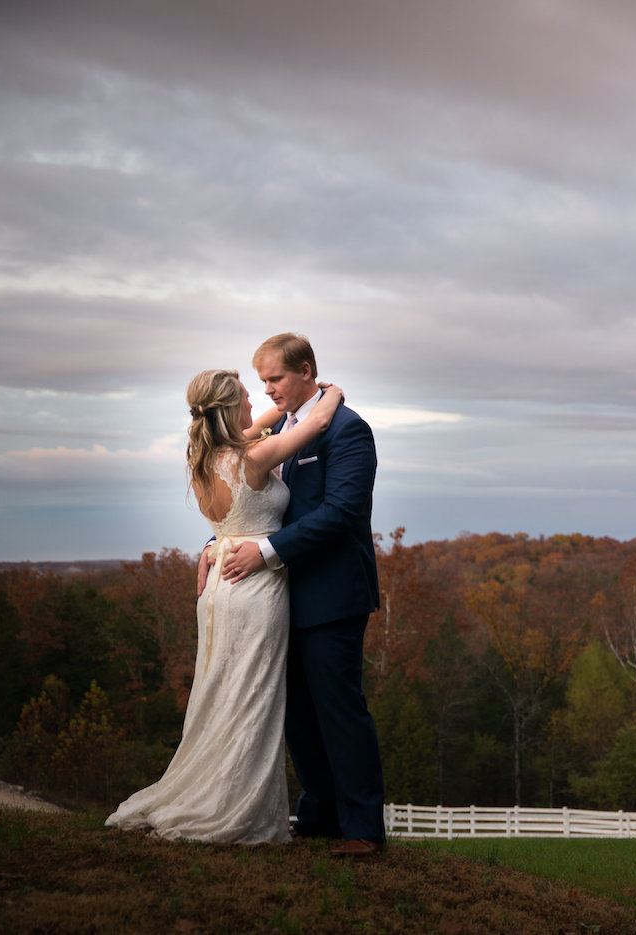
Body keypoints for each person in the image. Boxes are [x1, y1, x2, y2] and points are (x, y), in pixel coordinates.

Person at [106, 369, 342, 844]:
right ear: (230, 409)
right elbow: (313, 427)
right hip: (255, 586)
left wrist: (294, 396)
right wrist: (330, 392)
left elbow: (273, 419)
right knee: (251, 694)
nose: (256, 400)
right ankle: (234, 809)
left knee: (221, 690)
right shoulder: (253, 457)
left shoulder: (205, 456)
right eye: (245, 396)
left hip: (219, 583)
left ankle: (215, 791)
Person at [215, 333, 386, 857]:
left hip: (333, 593)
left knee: (339, 710)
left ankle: (362, 831)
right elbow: (253, 507)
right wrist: (216, 545)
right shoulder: (282, 431)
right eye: (262, 381)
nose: (267, 390)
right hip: (280, 597)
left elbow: (340, 516)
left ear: (307, 370)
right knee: (298, 714)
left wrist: (264, 552)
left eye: (276, 378)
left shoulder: (348, 429)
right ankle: (319, 817)